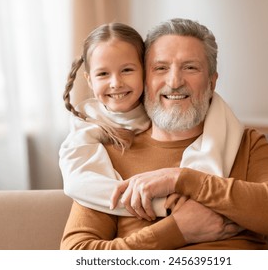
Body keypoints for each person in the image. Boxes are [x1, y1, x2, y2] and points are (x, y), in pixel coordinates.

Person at [60, 18, 268, 250]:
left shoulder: (245, 143)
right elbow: (77, 255)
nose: (174, 81)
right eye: (161, 68)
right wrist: (176, 231)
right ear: (146, 78)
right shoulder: (110, 154)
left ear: (212, 82)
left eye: (190, 67)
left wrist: (181, 180)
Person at [59, 22, 244, 221]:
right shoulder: (89, 130)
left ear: (144, 72)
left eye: (127, 70)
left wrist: (189, 183)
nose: (116, 83)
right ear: (89, 80)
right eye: (103, 74)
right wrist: (163, 206)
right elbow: (81, 185)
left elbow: (217, 109)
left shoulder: (174, 113)